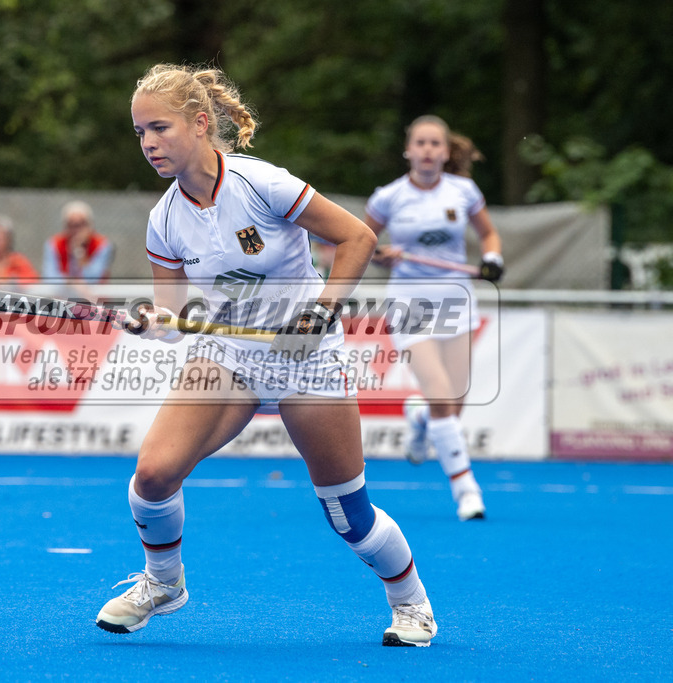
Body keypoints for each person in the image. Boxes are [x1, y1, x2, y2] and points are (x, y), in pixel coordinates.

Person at [94, 63, 437, 647]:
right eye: (139, 132)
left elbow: (357, 238)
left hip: (307, 356)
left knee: (347, 514)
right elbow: (177, 319)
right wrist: (154, 324)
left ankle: (411, 603)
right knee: (152, 476)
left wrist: (321, 312)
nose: (148, 143)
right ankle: (163, 583)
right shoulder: (164, 221)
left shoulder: (263, 184)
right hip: (228, 353)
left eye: (160, 128)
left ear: (200, 124)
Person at [363, 114, 504, 521]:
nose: (427, 150)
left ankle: (419, 416)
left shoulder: (464, 191)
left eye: (435, 144)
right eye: (420, 143)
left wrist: (492, 258)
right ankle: (466, 491)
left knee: (451, 408)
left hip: (457, 305)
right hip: (410, 307)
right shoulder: (388, 198)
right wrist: (380, 255)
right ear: (409, 150)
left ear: (445, 151)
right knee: (443, 396)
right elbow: (361, 242)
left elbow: (489, 235)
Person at [42, 200, 114, 298]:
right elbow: (49, 277)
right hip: (62, 299)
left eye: (81, 224)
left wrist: (79, 252)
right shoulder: (54, 243)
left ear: (90, 225)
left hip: (93, 302)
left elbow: (94, 278)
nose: (76, 230)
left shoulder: (102, 244)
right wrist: (71, 282)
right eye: (71, 225)